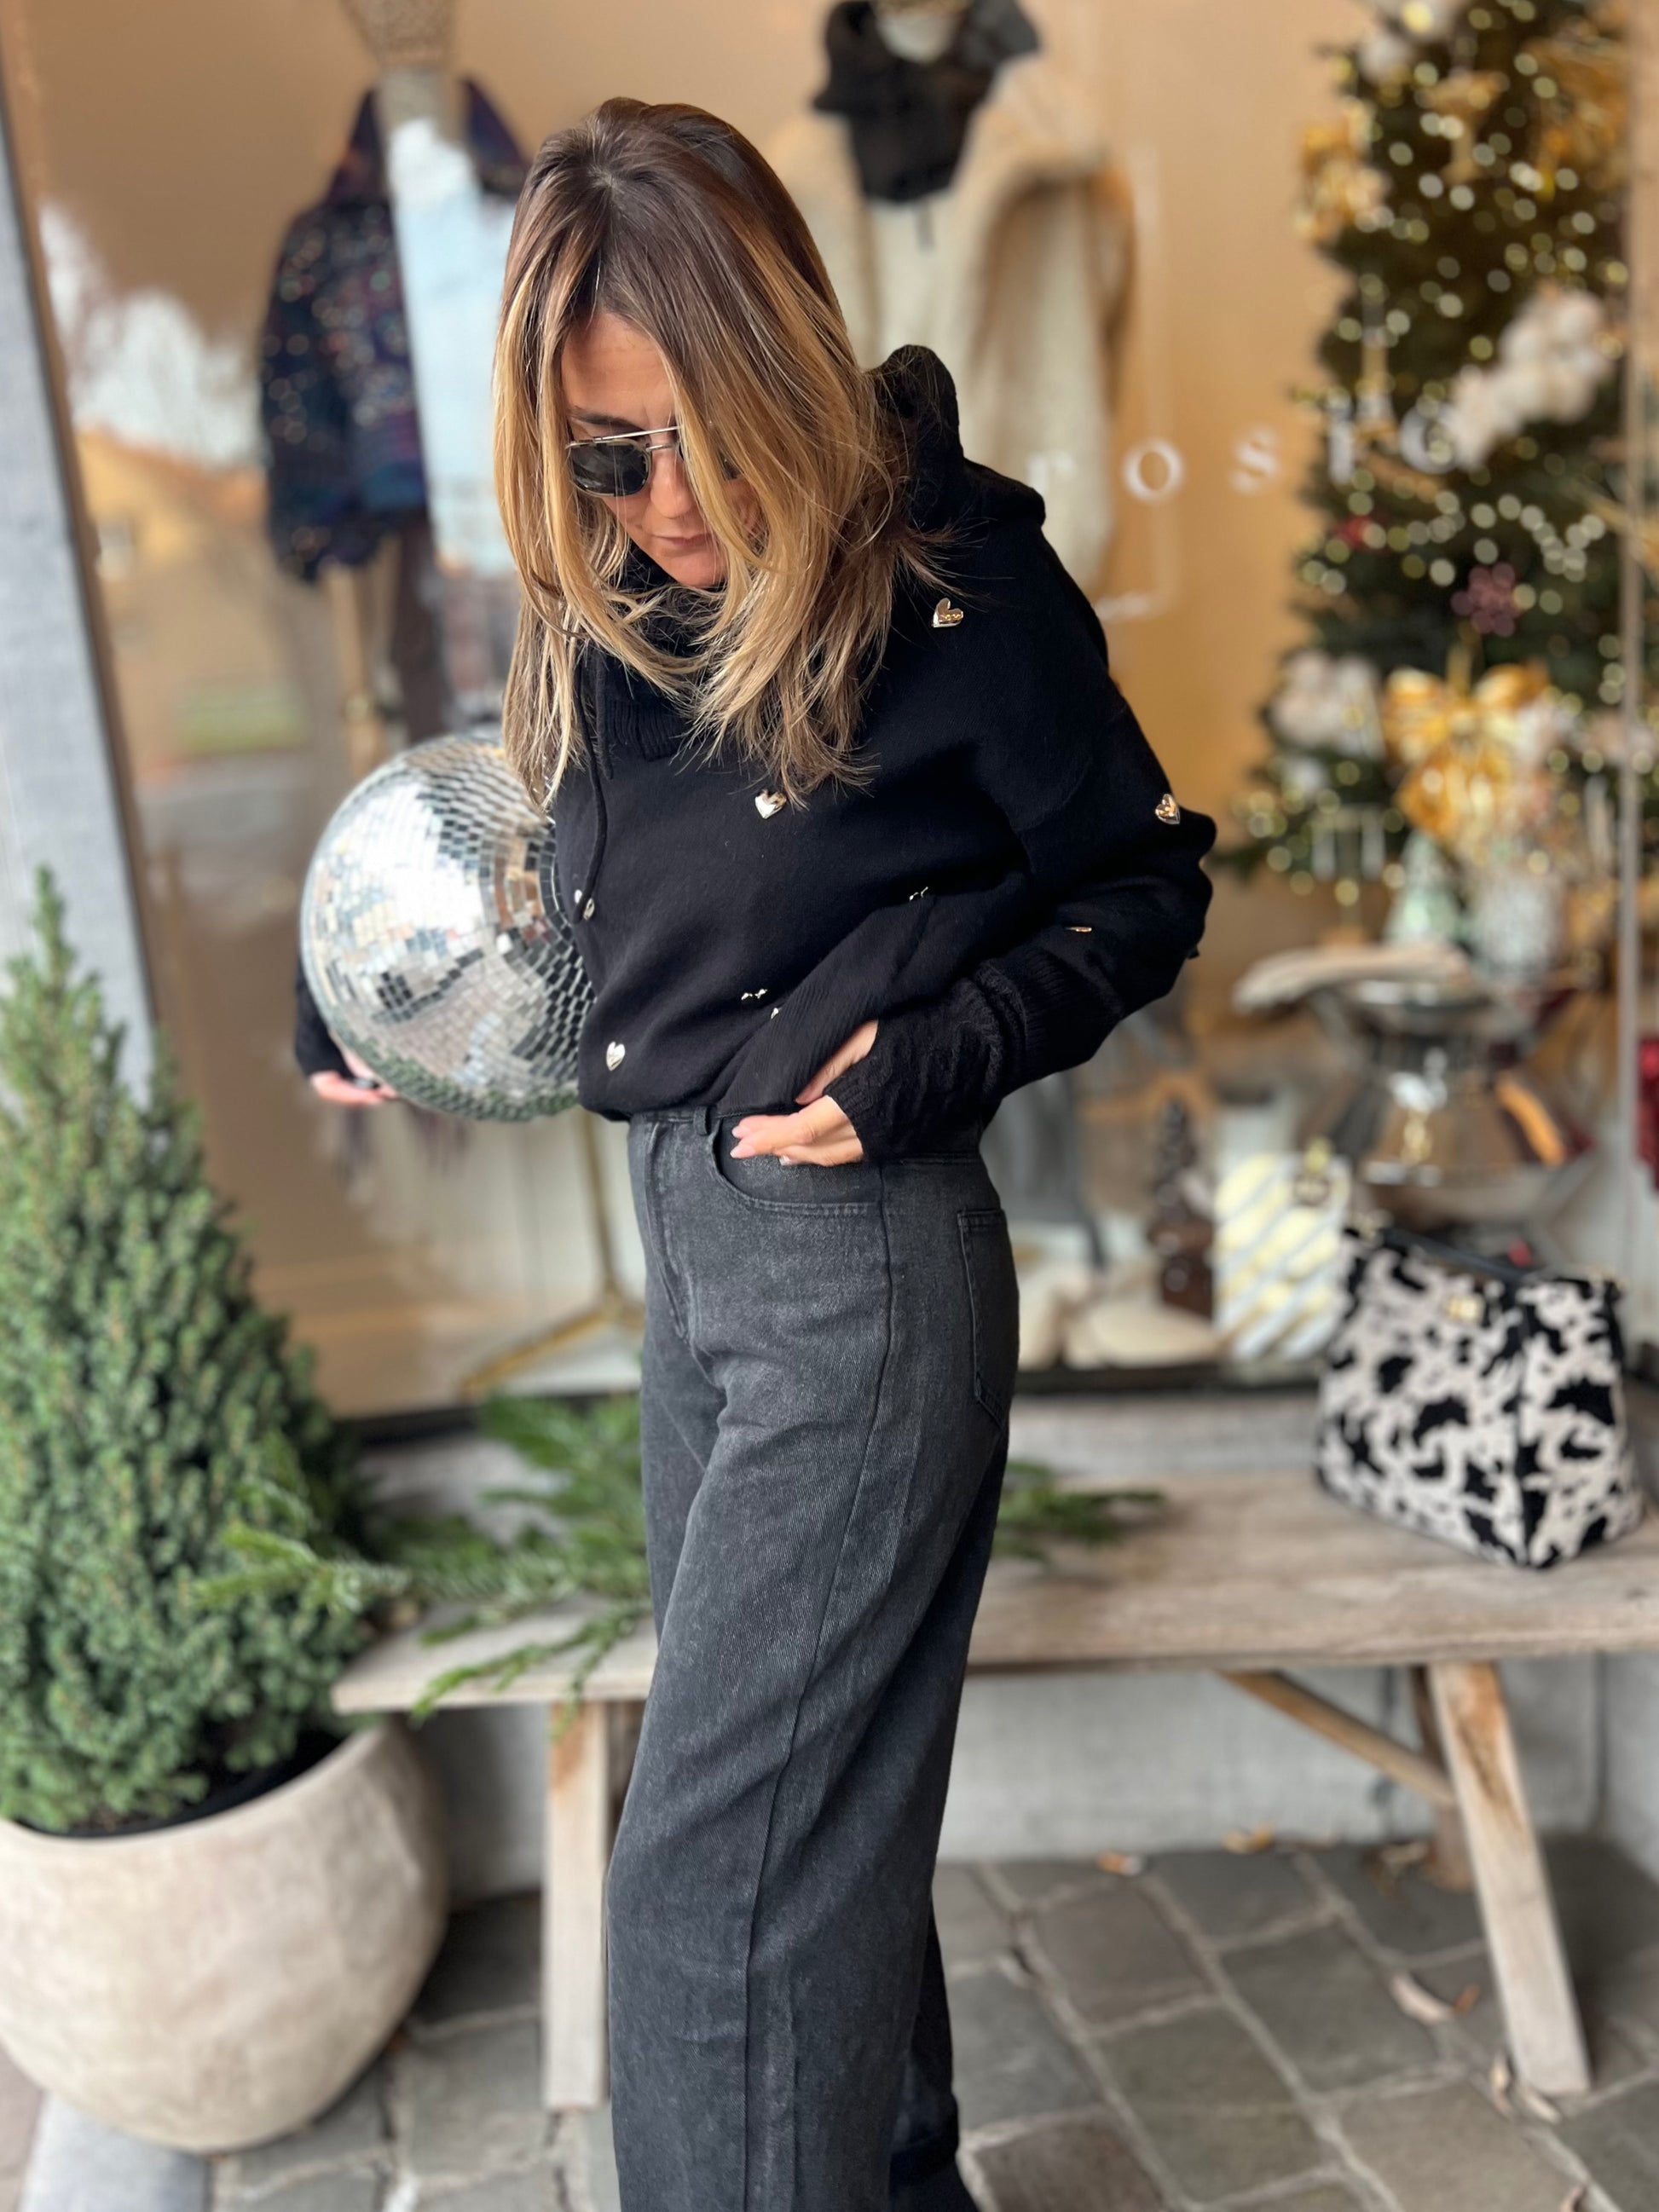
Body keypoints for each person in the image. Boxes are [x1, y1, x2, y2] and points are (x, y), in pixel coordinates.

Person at [296, 95, 1214, 2212]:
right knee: (820, 1825)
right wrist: (373, 1002)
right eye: (605, 456)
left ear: (783, 363)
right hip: (693, 1247)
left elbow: (1144, 882)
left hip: (859, 1264)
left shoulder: (955, 583)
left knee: (711, 1886)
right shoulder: (604, 596)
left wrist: (939, 1053)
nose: (668, 502)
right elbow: (561, 872)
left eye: (699, 435)